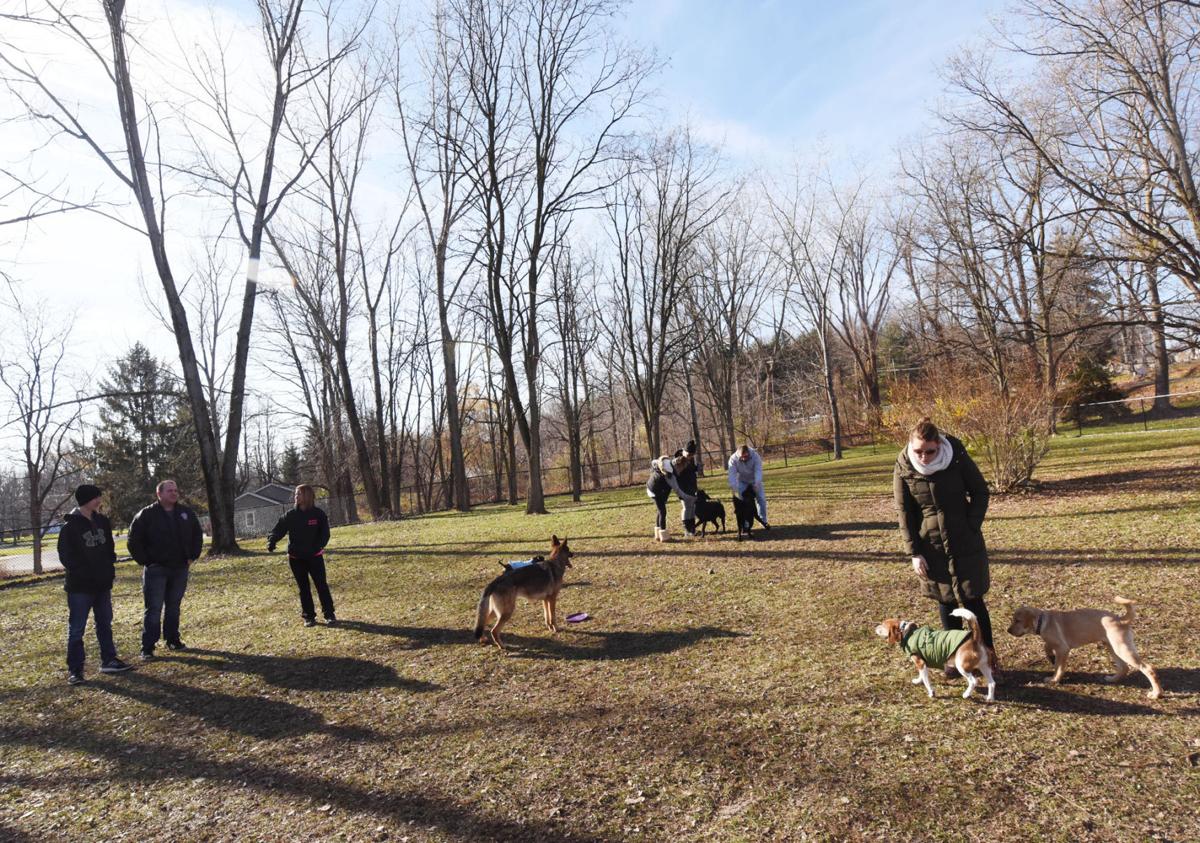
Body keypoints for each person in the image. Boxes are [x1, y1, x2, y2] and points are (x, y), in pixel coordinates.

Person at [893, 417, 995, 678]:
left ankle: (987, 656)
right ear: (910, 447)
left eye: (930, 451)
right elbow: (905, 513)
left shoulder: (956, 456)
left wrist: (971, 525)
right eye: (919, 452)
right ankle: (953, 658)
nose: (924, 457)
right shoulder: (904, 465)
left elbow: (980, 492)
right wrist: (915, 552)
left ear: (939, 444)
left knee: (973, 599)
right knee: (946, 600)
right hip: (931, 546)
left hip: (965, 540)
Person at [57, 484, 134, 685]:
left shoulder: (102, 521)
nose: (99, 501)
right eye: (96, 498)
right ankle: (76, 670)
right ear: (86, 500)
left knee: (104, 624)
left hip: (102, 584)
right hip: (80, 588)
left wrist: (109, 569)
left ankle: (109, 660)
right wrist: (85, 573)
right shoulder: (70, 527)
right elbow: (66, 557)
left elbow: (109, 548)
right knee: (77, 629)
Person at [128, 479, 204, 658]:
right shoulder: (146, 515)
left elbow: (196, 535)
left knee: (173, 606)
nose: (174, 493)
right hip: (157, 570)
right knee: (153, 609)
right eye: (170, 490)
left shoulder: (185, 513)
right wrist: (147, 561)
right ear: (159, 494)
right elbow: (134, 540)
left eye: (176, 490)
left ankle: (173, 639)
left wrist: (192, 556)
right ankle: (148, 647)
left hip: (180, 568)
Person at [267, 484, 335, 627]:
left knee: (321, 585)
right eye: (296, 494)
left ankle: (329, 614)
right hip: (296, 558)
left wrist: (318, 546)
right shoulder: (290, 515)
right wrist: (272, 540)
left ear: (308, 496)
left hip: (315, 556)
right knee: (303, 588)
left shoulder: (318, 514)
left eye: (299, 494)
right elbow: (278, 530)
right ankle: (309, 617)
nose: (296, 496)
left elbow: (325, 534)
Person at [646, 455, 695, 542]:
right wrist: (689, 498)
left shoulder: (667, 462)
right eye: (683, 468)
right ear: (679, 465)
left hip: (653, 487)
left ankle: (658, 535)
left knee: (660, 511)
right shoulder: (669, 475)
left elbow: (653, 461)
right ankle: (664, 537)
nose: (682, 470)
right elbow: (678, 491)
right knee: (662, 512)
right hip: (655, 490)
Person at [727, 444, 769, 531]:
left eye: (746, 456)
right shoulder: (733, 459)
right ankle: (745, 523)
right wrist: (733, 486)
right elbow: (732, 474)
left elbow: (758, 470)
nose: (744, 459)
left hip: (755, 480)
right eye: (742, 457)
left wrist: (757, 483)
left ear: (748, 453)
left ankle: (763, 520)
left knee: (761, 499)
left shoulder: (755, 456)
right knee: (742, 502)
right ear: (738, 455)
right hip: (742, 481)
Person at [675, 440, 700, 537]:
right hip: (682, 487)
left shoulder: (691, 458)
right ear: (684, 451)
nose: (690, 457)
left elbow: (691, 470)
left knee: (692, 507)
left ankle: (692, 529)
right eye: (689, 454)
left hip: (692, 486)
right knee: (686, 507)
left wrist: (696, 468)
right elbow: (677, 475)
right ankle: (686, 530)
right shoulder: (678, 459)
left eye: (692, 455)